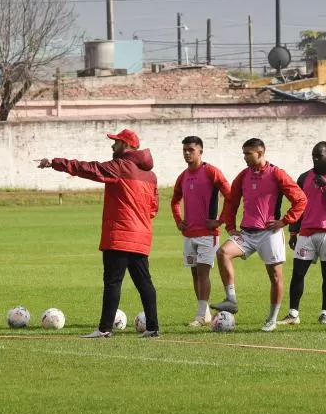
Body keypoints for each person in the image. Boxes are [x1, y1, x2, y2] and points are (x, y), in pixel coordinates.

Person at [37, 128, 161, 338]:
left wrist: (55, 163)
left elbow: (90, 169)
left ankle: (104, 329)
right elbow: (154, 208)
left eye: (116, 142)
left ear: (126, 145)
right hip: (141, 236)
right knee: (144, 282)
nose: (112, 146)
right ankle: (153, 327)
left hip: (120, 235)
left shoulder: (121, 166)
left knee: (113, 282)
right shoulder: (151, 175)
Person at [211, 138, 307, 332]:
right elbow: (231, 201)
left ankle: (271, 319)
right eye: (244, 153)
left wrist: (284, 221)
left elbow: (300, 199)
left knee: (275, 277)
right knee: (223, 253)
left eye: (248, 153)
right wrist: (230, 227)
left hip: (269, 234)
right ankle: (231, 300)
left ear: (261, 153)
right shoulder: (243, 175)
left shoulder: (277, 174)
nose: (245, 157)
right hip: (246, 233)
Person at [278, 141, 326, 327]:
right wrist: (293, 231)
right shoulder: (304, 178)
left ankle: (324, 313)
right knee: (298, 273)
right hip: (306, 233)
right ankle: (293, 314)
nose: (315, 159)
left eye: (319, 156)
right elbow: (297, 205)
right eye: (313, 156)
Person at [170, 135, 231, 327]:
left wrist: (220, 220)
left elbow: (230, 196)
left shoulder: (211, 172)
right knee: (195, 274)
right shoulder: (183, 176)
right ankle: (203, 313)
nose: (187, 153)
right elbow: (174, 201)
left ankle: (199, 315)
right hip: (189, 235)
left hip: (207, 234)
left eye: (191, 150)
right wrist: (179, 220)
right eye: (185, 150)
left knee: (203, 273)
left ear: (200, 151)